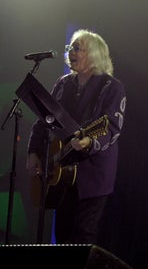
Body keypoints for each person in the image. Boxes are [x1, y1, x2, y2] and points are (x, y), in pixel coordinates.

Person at [26, 29, 126, 245]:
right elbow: (44, 120)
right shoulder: (63, 84)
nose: (70, 52)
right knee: (62, 234)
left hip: (93, 176)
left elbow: (111, 127)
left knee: (83, 235)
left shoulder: (112, 87)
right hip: (62, 173)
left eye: (76, 48)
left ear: (94, 55)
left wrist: (90, 141)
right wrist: (34, 152)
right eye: (69, 48)